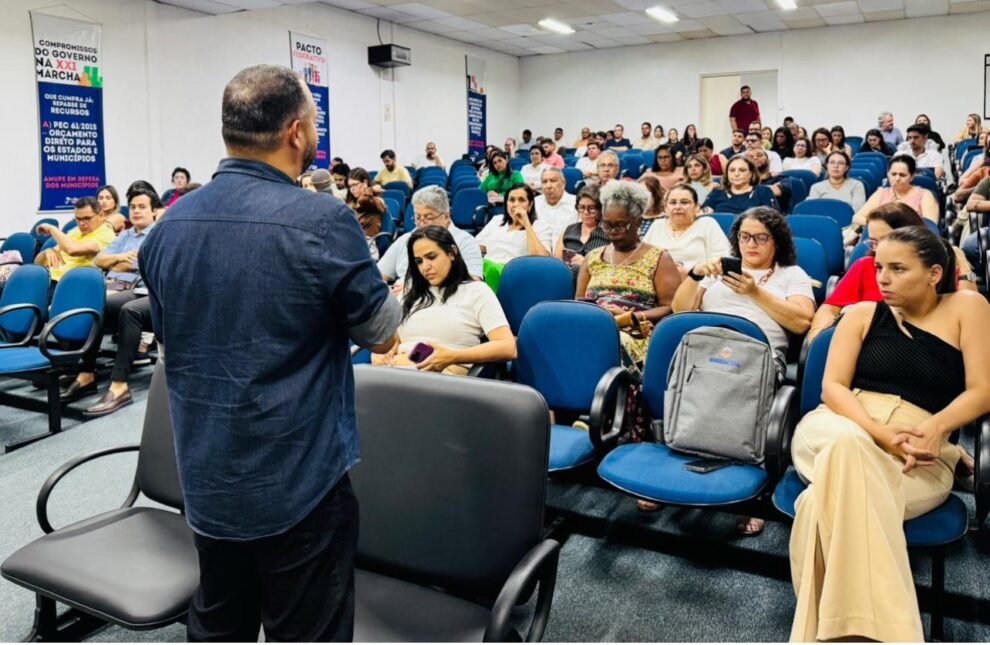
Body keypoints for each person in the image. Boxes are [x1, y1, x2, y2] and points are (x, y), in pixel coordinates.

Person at [139, 64, 401, 642]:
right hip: (299, 481)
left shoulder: (166, 227)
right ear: (295, 132)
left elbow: (169, 337)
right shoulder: (322, 219)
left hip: (206, 476)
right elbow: (381, 332)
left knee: (220, 618)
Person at [788, 226, 990, 642]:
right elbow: (833, 389)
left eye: (898, 269)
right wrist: (878, 433)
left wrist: (937, 427)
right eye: (880, 267)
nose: (882, 278)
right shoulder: (861, 313)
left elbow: (984, 389)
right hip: (842, 423)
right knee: (847, 448)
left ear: (934, 273)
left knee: (815, 505)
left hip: (922, 446)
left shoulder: (968, 307)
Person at [809, 202, 976, 341]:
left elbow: (970, 318)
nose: (882, 279)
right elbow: (829, 308)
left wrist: (964, 270)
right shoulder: (865, 265)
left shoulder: (930, 269)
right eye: (874, 242)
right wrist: (819, 340)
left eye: (887, 240)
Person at [61, 187, 161, 407]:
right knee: (95, 305)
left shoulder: (159, 234)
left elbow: (141, 266)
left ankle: (120, 385)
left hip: (144, 290)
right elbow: (99, 261)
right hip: (115, 285)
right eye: (133, 207)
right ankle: (86, 373)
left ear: (154, 211)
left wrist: (118, 262)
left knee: (129, 311)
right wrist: (120, 259)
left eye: (142, 207)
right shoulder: (125, 234)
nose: (136, 211)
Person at [372, 226, 515, 376]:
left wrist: (452, 356)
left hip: (444, 380)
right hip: (398, 372)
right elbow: (396, 340)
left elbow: (507, 346)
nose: (425, 267)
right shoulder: (409, 292)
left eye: (432, 257)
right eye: (419, 261)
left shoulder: (477, 291)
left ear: (452, 252)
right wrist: (384, 353)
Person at [576, 180, 681, 369]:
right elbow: (579, 302)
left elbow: (669, 308)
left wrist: (631, 316)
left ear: (638, 222)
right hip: (594, 327)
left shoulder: (659, 258)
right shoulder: (592, 257)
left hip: (635, 332)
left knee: (608, 343)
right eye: (607, 225)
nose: (613, 233)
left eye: (621, 225)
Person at [379, 186, 483, 291]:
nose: (421, 224)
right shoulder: (405, 239)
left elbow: (473, 283)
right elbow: (378, 274)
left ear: (446, 217)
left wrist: (412, 289)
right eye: (417, 218)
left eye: (429, 218)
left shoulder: (465, 241)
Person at [475, 183, 552, 290]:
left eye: (521, 200)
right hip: (487, 273)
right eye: (511, 200)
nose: (516, 204)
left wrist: (526, 224)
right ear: (506, 204)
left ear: (530, 205)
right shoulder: (497, 220)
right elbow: (476, 247)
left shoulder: (540, 226)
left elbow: (541, 258)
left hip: (517, 276)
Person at [643, 183, 730, 270]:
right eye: (673, 202)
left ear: (696, 207)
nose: (678, 207)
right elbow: (642, 258)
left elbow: (721, 259)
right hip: (660, 280)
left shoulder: (707, 224)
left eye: (684, 202)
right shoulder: (657, 225)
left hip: (699, 280)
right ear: (665, 208)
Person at [34, 196, 115, 287]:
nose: (82, 224)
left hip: (73, 284)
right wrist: (46, 252)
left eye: (87, 218)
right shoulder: (74, 232)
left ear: (101, 215)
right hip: (50, 279)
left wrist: (51, 229)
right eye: (78, 219)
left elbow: (72, 250)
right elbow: (37, 263)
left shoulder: (106, 234)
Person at [853, 155, 939, 227]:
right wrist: (882, 226)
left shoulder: (925, 195)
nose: (897, 179)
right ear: (888, 174)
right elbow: (857, 217)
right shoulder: (881, 193)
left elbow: (930, 226)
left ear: (912, 177)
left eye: (902, 175)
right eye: (893, 174)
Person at [553, 185, 609, 278]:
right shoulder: (568, 231)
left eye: (591, 208)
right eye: (582, 207)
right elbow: (557, 262)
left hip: (596, 280)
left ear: (601, 209)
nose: (586, 212)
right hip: (567, 279)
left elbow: (613, 265)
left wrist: (587, 263)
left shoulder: (608, 234)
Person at [702, 155, 778, 214]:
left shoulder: (763, 192)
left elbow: (773, 220)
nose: (736, 174)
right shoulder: (717, 192)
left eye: (742, 170)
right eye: (732, 170)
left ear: (751, 174)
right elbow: (705, 215)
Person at [345, 168, 386, 258]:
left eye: (355, 185)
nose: (352, 189)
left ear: (364, 183)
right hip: (352, 240)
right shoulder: (351, 203)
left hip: (367, 244)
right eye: (350, 186)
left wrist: (370, 190)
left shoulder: (376, 201)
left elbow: (364, 201)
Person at [535, 167, 577, 243]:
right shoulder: (534, 203)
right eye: (544, 182)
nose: (548, 186)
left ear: (563, 183)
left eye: (553, 181)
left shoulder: (576, 204)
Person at [749, 148, 792, 214]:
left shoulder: (781, 179)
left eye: (759, 155)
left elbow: (779, 191)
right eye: (751, 157)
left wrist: (747, 190)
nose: (755, 158)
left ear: (768, 161)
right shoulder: (747, 182)